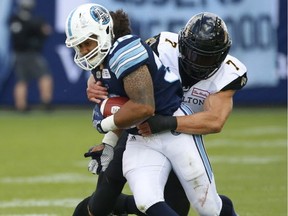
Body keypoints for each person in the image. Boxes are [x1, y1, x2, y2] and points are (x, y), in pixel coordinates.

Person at [80, 12, 248, 216]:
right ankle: (117, 205)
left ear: (222, 56)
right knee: (102, 200)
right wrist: (109, 138)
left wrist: (167, 122)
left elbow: (215, 121)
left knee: (183, 206)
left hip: (181, 135)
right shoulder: (161, 47)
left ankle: (123, 205)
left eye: (208, 57)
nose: (199, 63)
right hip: (141, 129)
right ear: (182, 44)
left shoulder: (229, 73)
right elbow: (126, 91)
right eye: (195, 54)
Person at [65, 3, 199, 216]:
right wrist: (109, 141)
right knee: (101, 204)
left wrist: (105, 124)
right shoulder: (108, 57)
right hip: (138, 134)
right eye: (80, 46)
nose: (84, 51)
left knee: (189, 206)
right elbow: (129, 104)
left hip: (172, 131)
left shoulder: (135, 50)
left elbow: (143, 105)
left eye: (87, 43)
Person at [9, 0, 53, 112]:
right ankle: (46, 102)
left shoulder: (14, 19)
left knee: (21, 80)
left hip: (18, 54)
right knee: (44, 76)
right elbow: (44, 31)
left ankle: (21, 105)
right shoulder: (32, 21)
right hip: (31, 53)